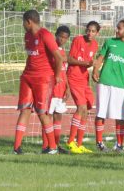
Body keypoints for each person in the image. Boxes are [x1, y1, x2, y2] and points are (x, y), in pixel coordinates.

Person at [13, 10, 63, 155]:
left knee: (42, 114)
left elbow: (59, 58)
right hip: (28, 77)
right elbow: (31, 57)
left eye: (23, 22)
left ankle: (52, 147)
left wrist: (58, 76)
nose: (23, 25)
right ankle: (16, 148)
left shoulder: (45, 35)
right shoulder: (27, 35)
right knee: (25, 110)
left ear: (29, 21)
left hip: (43, 79)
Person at [92, 19, 124, 153]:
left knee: (120, 116)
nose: (117, 30)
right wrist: (95, 70)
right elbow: (100, 58)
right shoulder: (109, 42)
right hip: (104, 82)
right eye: (117, 28)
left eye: (119, 28)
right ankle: (99, 143)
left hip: (120, 85)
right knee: (100, 113)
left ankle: (120, 145)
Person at [66, 21, 100, 154]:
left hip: (84, 79)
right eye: (88, 30)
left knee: (86, 110)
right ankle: (70, 142)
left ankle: (79, 144)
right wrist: (85, 63)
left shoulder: (95, 44)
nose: (90, 33)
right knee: (81, 108)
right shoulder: (78, 40)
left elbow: (89, 63)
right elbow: (69, 59)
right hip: (73, 78)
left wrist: (92, 66)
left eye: (93, 31)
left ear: (97, 33)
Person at [41, 25, 71, 154]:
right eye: (60, 36)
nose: (62, 40)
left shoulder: (64, 52)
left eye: (65, 38)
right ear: (56, 35)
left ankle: (56, 144)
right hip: (51, 89)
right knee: (47, 117)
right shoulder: (50, 50)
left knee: (58, 117)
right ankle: (46, 145)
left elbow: (65, 72)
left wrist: (68, 88)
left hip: (61, 89)